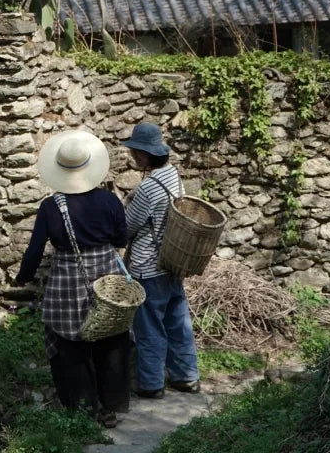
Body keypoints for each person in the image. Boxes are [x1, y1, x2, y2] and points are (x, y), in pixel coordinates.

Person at [15, 130, 130, 427]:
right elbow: (121, 237)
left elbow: (35, 249)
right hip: (108, 274)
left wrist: (23, 278)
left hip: (69, 279)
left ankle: (83, 407)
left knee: (70, 344)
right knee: (110, 336)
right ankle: (113, 402)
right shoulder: (109, 200)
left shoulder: (51, 207)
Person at [121, 122, 201, 398]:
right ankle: (186, 377)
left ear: (143, 156)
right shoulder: (173, 177)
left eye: (134, 153)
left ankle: (152, 384)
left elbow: (128, 228)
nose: (133, 158)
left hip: (148, 267)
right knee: (177, 322)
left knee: (149, 327)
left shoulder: (148, 188)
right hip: (172, 261)